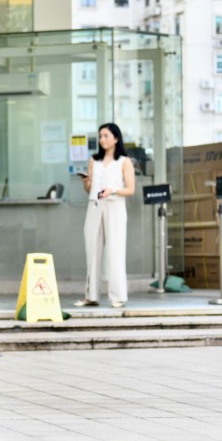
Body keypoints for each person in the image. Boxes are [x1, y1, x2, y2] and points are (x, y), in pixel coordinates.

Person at [75, 123, 135, 309]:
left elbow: (130, 189)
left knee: (115, 251)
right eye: (100, 136)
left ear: (116, 138)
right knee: (92, 250)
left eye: (106, 136)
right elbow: (89, 189)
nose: (102, 139)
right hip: (94, 206)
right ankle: (91, 296)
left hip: (115, 207)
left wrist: (113, 190)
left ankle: (118, 296)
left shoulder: (124, 161)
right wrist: (87, 183)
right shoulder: (94, 160)